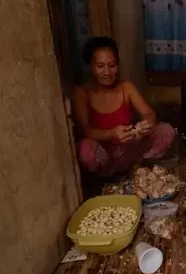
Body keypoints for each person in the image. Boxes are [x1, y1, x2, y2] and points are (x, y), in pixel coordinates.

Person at [73, 37, 176, 176]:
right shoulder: (81, 93)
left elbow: (148, 113)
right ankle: (102, 177)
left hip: (128, 151)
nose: (107, 72)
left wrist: (146, 124)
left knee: (166, 130)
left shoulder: (126, 87)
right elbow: (86, 131)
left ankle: (139, 165)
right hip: (103, 155)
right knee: (85, 149)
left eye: (112, 65)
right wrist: (113, 133)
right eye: (100, 66)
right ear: (90, 66)